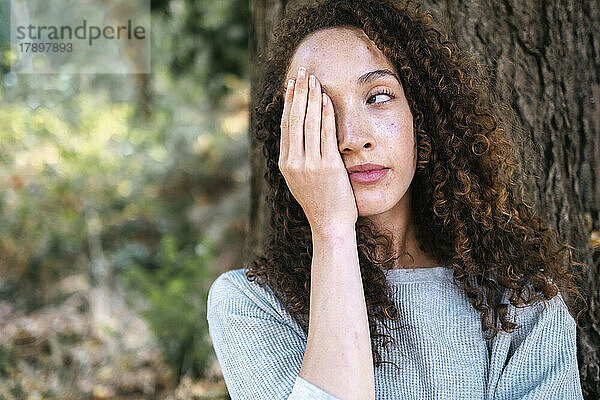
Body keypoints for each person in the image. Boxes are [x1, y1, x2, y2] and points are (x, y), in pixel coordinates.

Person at [206, 0, 587, 398]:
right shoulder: (250, 304)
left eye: (378, 96)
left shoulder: (521, 297)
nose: (353, 137)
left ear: (419, 114)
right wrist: (331, 228)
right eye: (320, 110)